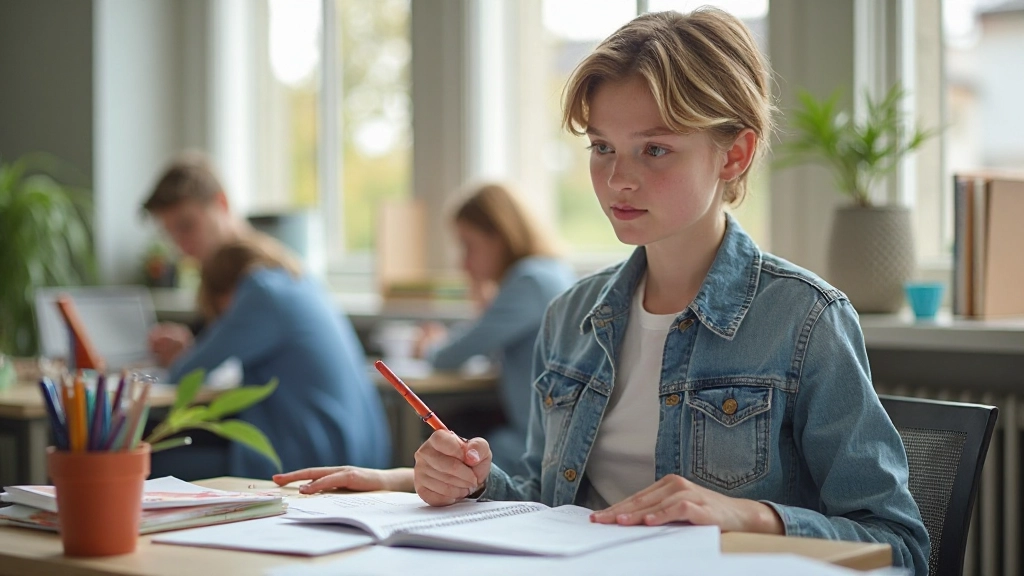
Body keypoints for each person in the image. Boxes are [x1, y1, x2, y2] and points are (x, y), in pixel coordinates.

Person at [275, 9, 928, 574]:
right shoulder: (572, 316)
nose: (618, 179)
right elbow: (544, 495)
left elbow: (899, 546)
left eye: (655, 151)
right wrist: (470, 483)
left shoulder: (805, 320)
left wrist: (750, 516)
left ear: (733, 156)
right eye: (601, 147)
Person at [166, 237, 392, 479]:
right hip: (362, 448)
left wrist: (179, 355)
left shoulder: (261, 292)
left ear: (222, 293)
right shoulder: (302, 283)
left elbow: (189, 373)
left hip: (318, 454)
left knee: (159, 463)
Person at [409, 183, 575, 475]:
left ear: (499, 237)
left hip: (535, 446)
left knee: (448, 445)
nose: (463, 263)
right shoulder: (550, 271)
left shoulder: (529, 282)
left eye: (468, 246)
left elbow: (448, 357)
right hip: (547, 435)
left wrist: (428, 346)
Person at [140, 151, 281, 368]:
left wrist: (191, 361)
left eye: (187, 226)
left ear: (221, 204)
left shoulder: (261, 281)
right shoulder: (216, 278)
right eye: (170, 234)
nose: (180, 246)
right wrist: (192, 347)